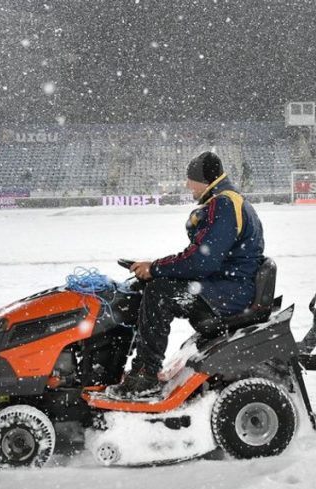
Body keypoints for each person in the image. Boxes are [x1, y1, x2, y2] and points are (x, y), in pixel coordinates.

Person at [111, 152, 265, 398]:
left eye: (190, 179)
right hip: (227, 284)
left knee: (160, 292)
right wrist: (155, 268)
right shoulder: (227, 200)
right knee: (155, 285)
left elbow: (202, 261)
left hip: (230, 291)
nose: (187, 185)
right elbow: (201, 258)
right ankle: (138, 368)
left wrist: (155, 268)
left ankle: (144, 375)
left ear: (204, 180)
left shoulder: (223, 203)